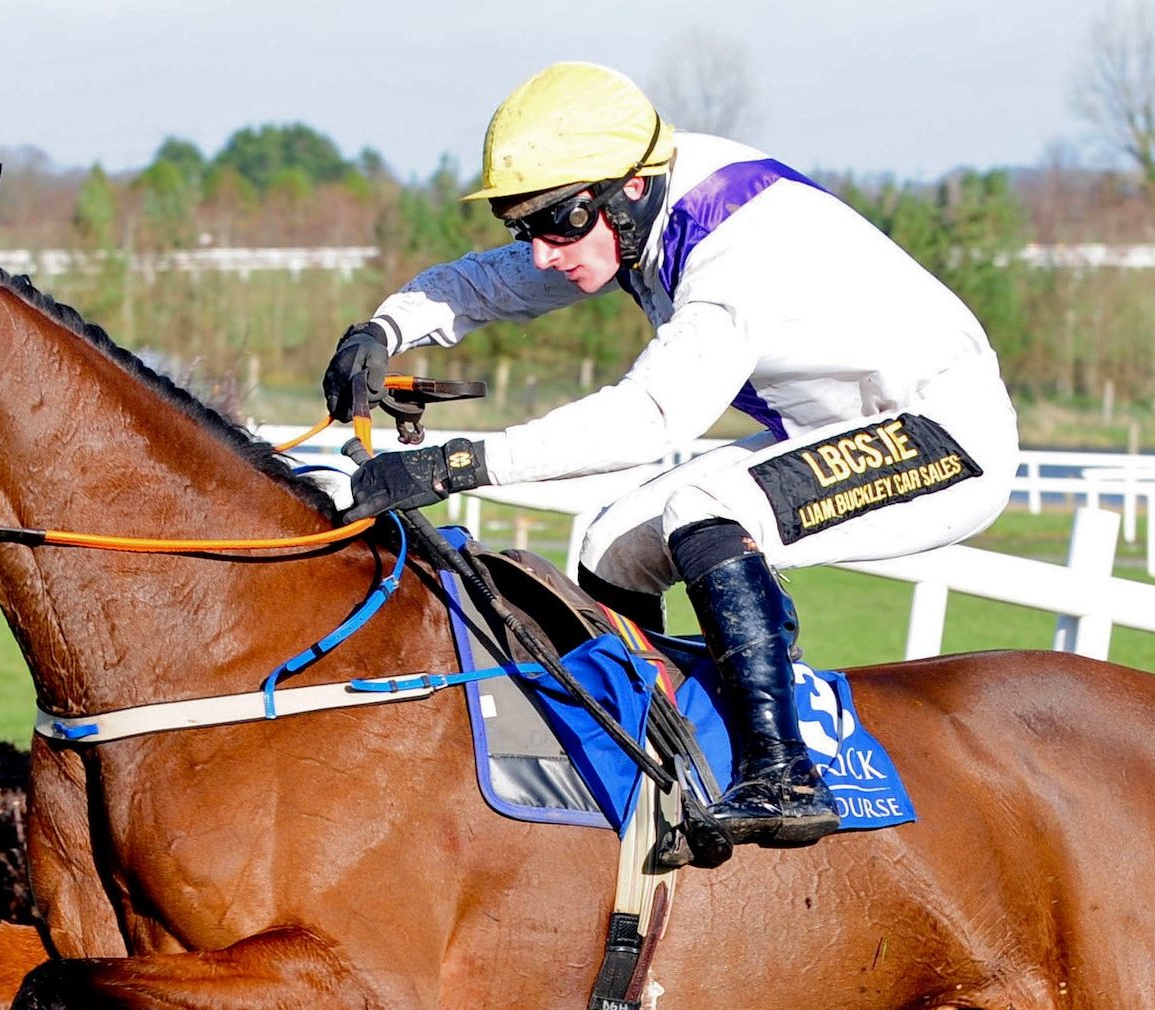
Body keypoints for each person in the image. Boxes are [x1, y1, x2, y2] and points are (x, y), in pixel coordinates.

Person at [324, 61, 1019, 848]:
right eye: (525, 228)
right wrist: (386, 329)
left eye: (556, 224)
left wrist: (457, 465)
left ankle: (783, 772)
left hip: (945, 437)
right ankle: (658, 760)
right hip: (833, 432)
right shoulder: (630, 209)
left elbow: (650, 418)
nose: (543, 252)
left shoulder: (737, 241)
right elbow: (490, 282)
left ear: (629, 189)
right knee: (612, 543)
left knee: (705, 508)